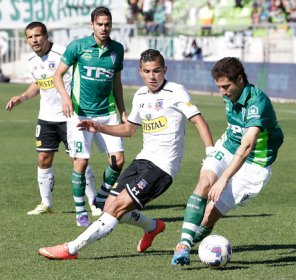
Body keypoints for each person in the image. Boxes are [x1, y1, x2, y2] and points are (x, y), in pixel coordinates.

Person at [38, 48, 214, 260]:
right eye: (147, 71)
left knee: (117, 207)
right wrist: (99, 127)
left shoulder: (176, 92)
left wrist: (210, 152)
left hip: (162, 168)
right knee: (109, 205)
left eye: (157, 71)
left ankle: (71, 248)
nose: (152, 76)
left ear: (164, 70)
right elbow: (129, 129)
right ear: (140, 72)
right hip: (142, 160)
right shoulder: (140, 95)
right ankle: (153, 226)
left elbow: (198, 120)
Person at [171, 57, 284, 266]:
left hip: (255, 163)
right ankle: (183, 246)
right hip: (229, 146)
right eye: (219, 87)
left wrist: (224, 178)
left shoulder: (257, 103)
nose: (222, 92)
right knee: (204, 182)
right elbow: (238, 139)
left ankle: (196, 241)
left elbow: (248, 144)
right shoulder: (229, 94)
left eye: (225, 86)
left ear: (240, 80)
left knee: (209, 214)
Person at [5, 21, 101, 217]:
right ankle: (46, 203)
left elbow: (80, 75)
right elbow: (38, 84)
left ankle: (94, 203)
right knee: (43, 158)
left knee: (79, 160)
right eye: (30, 37)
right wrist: (21, 98)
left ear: (46, 36)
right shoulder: (32, 60)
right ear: (26, 40)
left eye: (38, 36)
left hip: (70, 117)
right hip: (46, 117)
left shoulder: (63, 54)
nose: (34, 40)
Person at [53, 7, 126, 227]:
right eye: (100, 24)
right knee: (81, 162)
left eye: (107, 24)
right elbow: (58, 75)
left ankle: (101, 197)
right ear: (92, 24)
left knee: (118, 160)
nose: (104, 28)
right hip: (80, 114)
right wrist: (65, 98)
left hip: (108, 113)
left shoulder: (117, 50)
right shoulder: (78, 47)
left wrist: (122, 111)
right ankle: (80, 210)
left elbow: (116, 83)